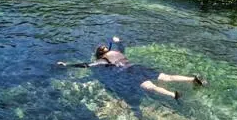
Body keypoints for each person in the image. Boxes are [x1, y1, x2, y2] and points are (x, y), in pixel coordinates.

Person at [57, 36, 205, 101]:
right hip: (137, 66)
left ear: (99, 54)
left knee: (151, 88)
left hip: (129, 72)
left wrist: (67, 64)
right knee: (167, 77)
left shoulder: (103, 60)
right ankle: (193, 79)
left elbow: (85, 65)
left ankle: (173, 95)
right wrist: (119, 41)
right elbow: (122, 46)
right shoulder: (117, 52)